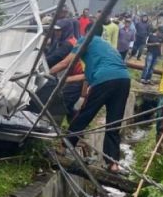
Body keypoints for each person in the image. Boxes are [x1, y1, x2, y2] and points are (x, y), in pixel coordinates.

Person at [51, 25, 131, 173]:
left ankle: (64, 147)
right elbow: (86, 76)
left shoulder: (85, 40)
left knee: (85, 114)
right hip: (124, 79)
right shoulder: (106, 47)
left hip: (104, 80)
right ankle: (113, 164)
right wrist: (65, 81)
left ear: (85, 32)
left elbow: (65, 62)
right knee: (114, 122)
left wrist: (45, 73)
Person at [43, 19, 84, 121]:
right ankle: (72, 127)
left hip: (77, 79)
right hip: (71, 77)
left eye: (59, 30)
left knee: (62, 103)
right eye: (56, 30)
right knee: (67, 105)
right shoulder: (63, 41)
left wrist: (39, 67)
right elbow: (51, 55)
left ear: (66, 30)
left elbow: (55, 59)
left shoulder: (69, 44)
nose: (56, 32)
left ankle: (63, 127)